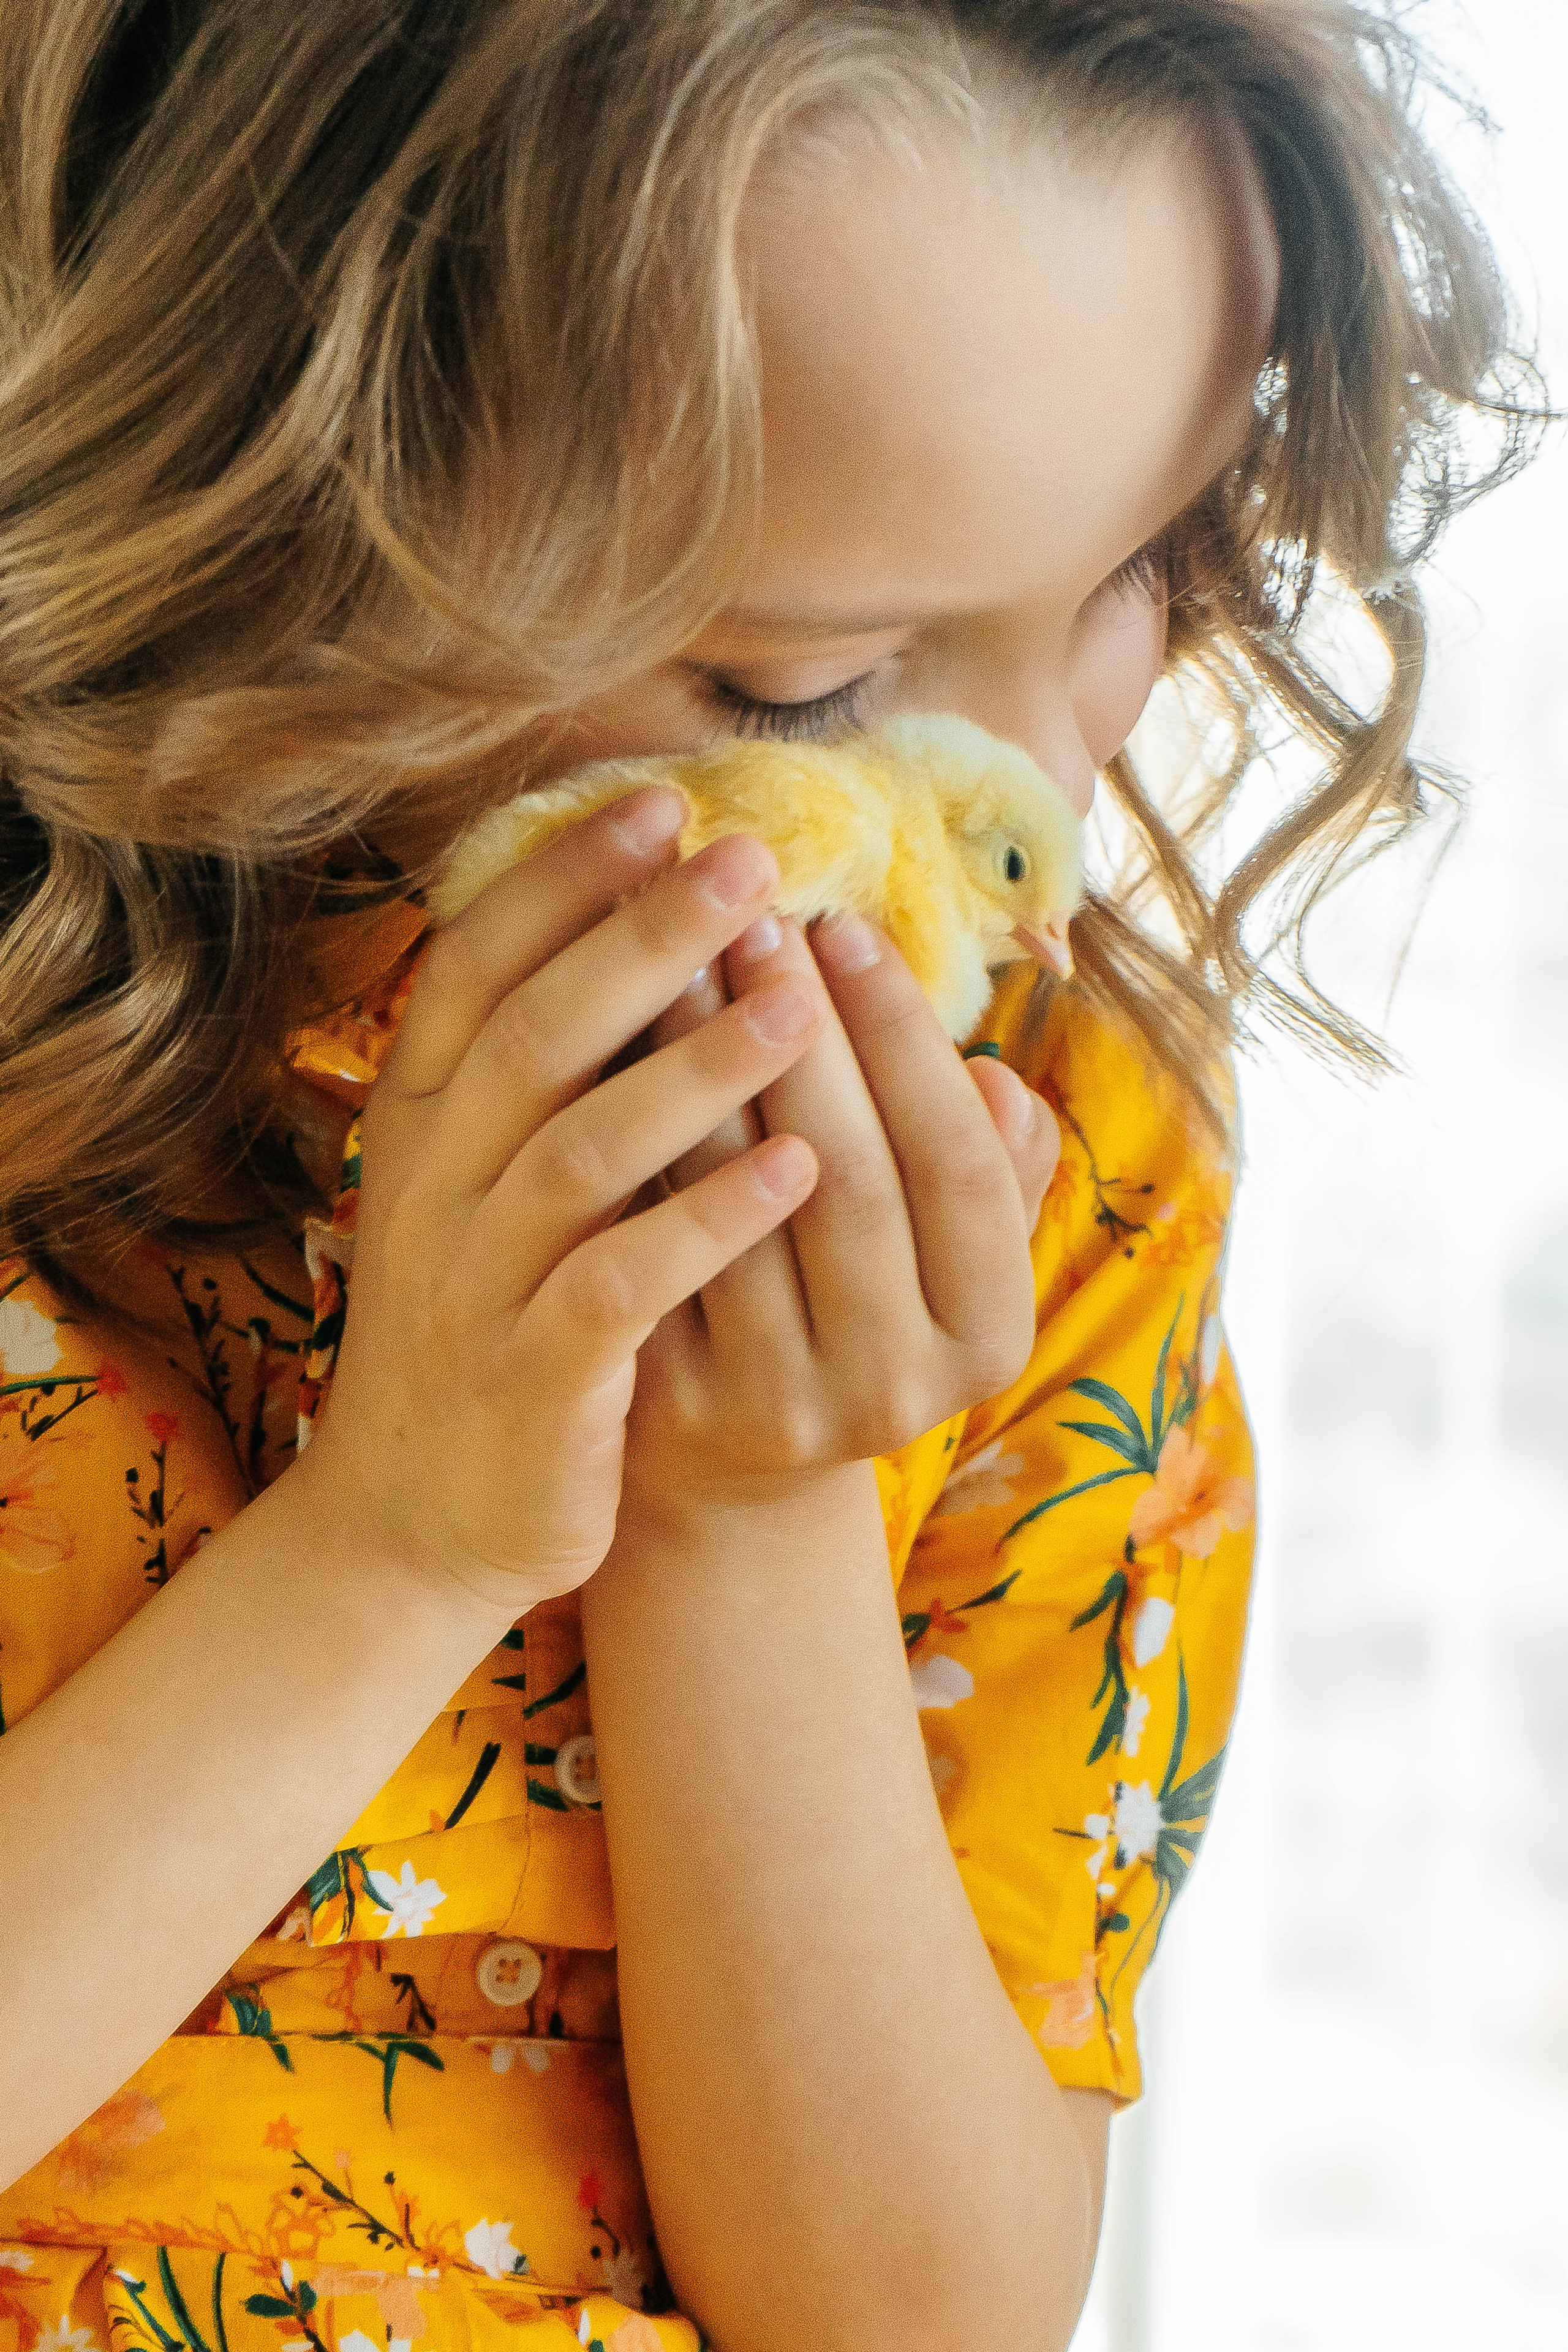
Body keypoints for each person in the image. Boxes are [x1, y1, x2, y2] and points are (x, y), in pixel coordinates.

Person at [0, 3, 1535, 2348]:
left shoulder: (1058, 1173)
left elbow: (912, 2319)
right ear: (263, 506)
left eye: (1140, 568)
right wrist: (399, 1545)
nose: (1035, 809)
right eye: (811, 690)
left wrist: (746, 1519)